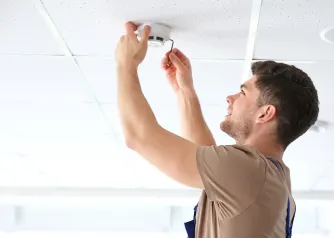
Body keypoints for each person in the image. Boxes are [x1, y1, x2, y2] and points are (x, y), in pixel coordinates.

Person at [115, 22, 319, 238]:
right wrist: (184, 91)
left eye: (242, 93)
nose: (230, 98)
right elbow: (208, 159)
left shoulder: (250, 169)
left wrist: (126, 64)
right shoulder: (271, 175)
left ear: (265, 113)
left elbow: (139, 135)